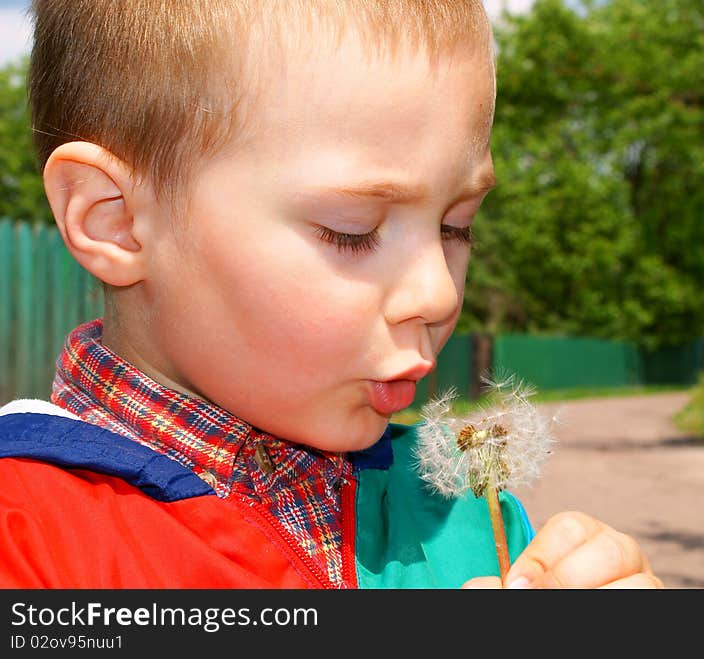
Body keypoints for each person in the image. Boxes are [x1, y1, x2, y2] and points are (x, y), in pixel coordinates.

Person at [0, 0, 662, 589]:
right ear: (113, 218)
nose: (437, 293)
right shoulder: (28, 544)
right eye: (355, 232)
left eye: (456, 225)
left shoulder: (468, 518)